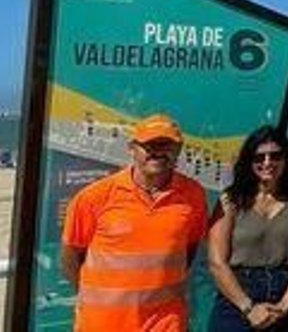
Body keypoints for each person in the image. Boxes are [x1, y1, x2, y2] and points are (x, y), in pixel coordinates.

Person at [60, 113, 208, 331]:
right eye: (149, 145)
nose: (158, 152)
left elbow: (189, 249)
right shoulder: (94, 197)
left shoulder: (193, 195)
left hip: (165, 323)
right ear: (132, 148)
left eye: (166, 145)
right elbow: (70, 258)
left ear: (178, 150)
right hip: (102, 324)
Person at [207, 126, 288, 331]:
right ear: (249, 162)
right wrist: (248, 308)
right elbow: (216, 262)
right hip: (236, 296)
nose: (268, 163)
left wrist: (286, 304)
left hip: (283, 293)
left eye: (275, 156)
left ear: (286, 159)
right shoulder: (231, 200)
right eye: (259, 158)